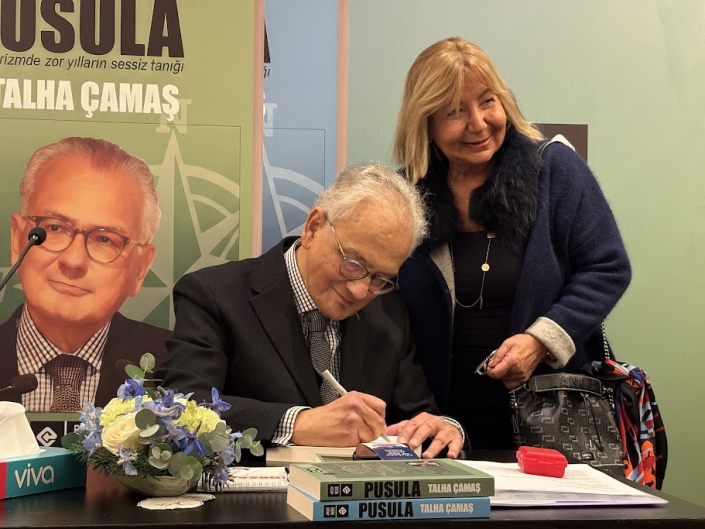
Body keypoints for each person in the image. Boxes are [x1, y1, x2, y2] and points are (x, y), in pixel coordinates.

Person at [392, 37, 631, 450]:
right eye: (455, 111)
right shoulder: (403, 195)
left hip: (553, 424)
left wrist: (541, 342)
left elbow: (608, 266)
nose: (479, 123)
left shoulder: (553, 169)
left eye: (488, 101)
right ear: (425, 122)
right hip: (437, 426)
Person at [158, 163, 464, 458]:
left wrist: (442, 429)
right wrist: (296, 424)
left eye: (380, 279)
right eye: (353, 264)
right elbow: (182, 407)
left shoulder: (390, 314)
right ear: (313, 227)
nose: (360, 291)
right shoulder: (214, 294)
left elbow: (417, 415)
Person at [1, 137, 170, 412]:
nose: (74, 260)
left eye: (105, 239)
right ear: (17, 240)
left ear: (140, 268)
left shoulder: (179, 368)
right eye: (54, 228)